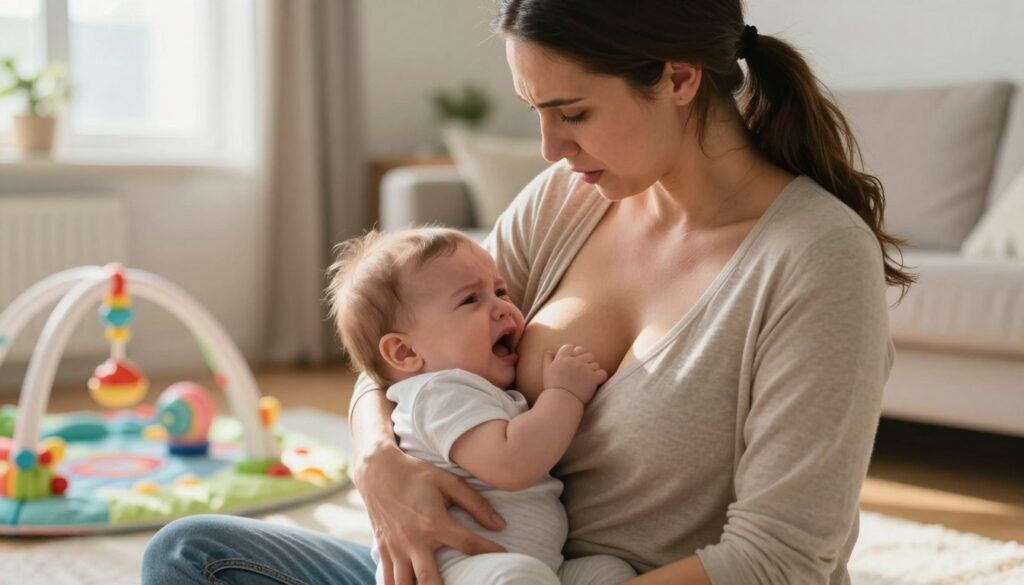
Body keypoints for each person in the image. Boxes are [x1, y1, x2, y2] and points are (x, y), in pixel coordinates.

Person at [142, 1, 913, 583]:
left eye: (573, 113)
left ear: (679, 77)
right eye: (537, 113)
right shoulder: (569, 198)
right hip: (487, 567)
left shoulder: (815, 257)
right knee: (191, 553)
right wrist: (379, 461)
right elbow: (400, 360)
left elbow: (779, 556)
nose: (550, 148)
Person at [325, 227, 637, 585]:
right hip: (455, 572)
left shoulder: (471, 389)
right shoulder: (437, 394)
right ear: (405, 352)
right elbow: (513, 462)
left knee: (608, 573)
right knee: (520, 577)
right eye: (471, 300)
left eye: (500, 291)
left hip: (532, 564)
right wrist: (564, 393)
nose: (503, 307)